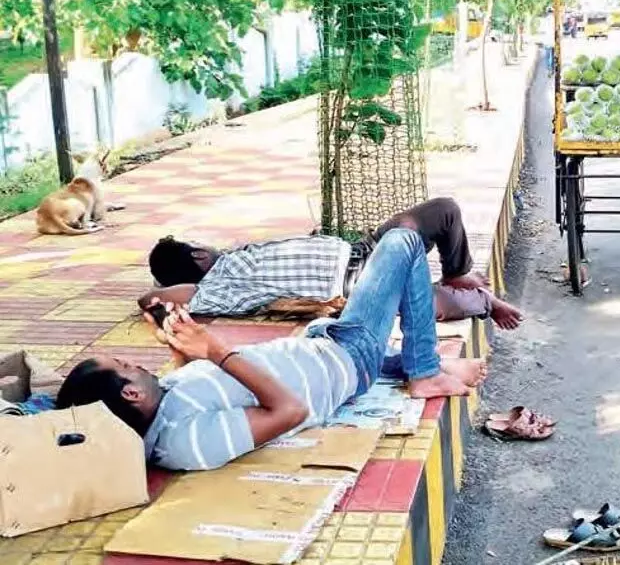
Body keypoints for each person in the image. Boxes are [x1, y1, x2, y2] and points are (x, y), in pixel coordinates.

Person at [56, 228, 477, 471]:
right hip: (347, 359)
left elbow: (207, 385)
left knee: (392, 291)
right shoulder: (181, 442)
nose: (134, 362)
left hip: (320, 344)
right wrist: (216, 350)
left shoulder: (164, 401)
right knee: (402, 242)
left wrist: (182, 348)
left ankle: (420, 364)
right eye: (125, 365)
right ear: (131, 394)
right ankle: (424, 373)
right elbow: (288, 412)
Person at [139, 197, 523, 332]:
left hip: (362, 248)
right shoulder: (219, 284)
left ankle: (457, 272)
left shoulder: (241, 255)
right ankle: (484, 303)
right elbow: (165, 296)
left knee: (444, 210)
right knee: (425, 302)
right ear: (198, 256)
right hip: (356, 286)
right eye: (201, 245)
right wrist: (155, 295)